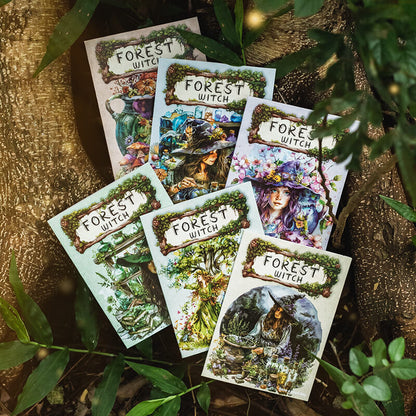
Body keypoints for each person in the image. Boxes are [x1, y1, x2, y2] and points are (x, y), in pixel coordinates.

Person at [251, 161, 324, 246]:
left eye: (286, 193)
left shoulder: (294, 225)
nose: (279, 197)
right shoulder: (254, 213)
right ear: (267, 192)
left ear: (292, 197)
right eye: (274, 190)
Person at [167, 119, 235, 201]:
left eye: (217, 151)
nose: (215, 156)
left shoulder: (221, 170)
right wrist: (179, 186)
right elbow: (169, 195)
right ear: (199, 154)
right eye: (210, 152)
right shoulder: (182, 170)